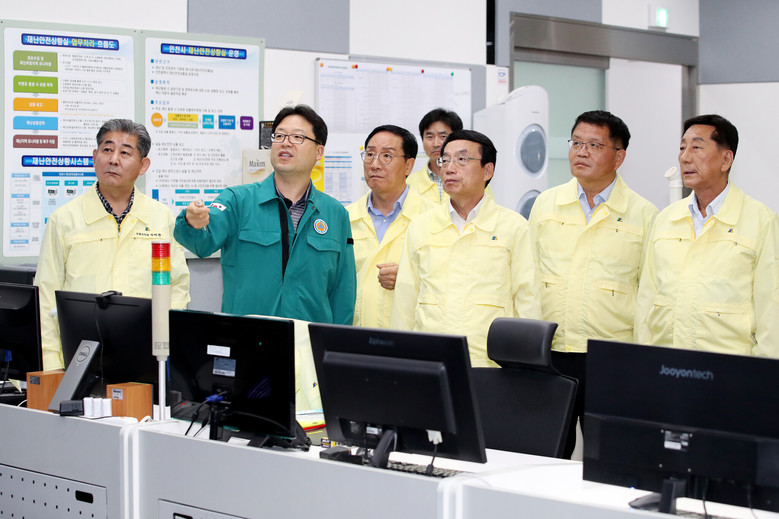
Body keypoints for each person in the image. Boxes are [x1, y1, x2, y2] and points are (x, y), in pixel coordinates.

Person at [528, 110, 658, 458]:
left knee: (609, 454)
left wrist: (644, 358)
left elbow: (650, 292)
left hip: (611, 355)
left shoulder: (644, 214)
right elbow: (528, 277)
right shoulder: (546, 204)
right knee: (546, 452)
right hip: (550, 350)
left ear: (619, 156)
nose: (581, 152)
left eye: (594, 145)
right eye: (576, 143)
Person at [175, 104, 356, 324]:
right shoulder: (237, 201)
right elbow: (201, 243)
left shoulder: (335, 213)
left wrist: (335, 342)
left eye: (297, 137)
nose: (285, 142)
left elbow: (343, 293)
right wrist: (192, 222)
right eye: (279, 135)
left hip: (307, 340)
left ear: (319, 151)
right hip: (248, 338)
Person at [35, 119, 191, 370]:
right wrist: (51, 364)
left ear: (143, 166)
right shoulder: (64, 220)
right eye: (107, 150)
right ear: (95, 156)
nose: (114, 159)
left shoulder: (161, 218)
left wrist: (164, 346)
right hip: (78, 356)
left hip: (145, 354)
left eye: (125, 153)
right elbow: (45, 294)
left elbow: (177, 286)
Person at [391, 130, 541, 367]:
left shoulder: (514, 227)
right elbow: (405, 300)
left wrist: (528, 367)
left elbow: (527, 300)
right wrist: (398, 361)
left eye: (462, 159)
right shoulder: (421, 226)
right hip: (430, 360)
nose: (449, 168)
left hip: (490, 363)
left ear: (487, 171)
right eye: (445, 160)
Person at [635, 114, 779, 357]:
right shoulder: (665, 219)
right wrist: (644, 360)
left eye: (696, 147)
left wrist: (763, 373)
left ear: (726, 159)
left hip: (730, 367)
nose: (685, 157)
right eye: (682, 148)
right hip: (667, 364)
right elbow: (646, 300)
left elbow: (771, 311)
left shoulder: (761, 221)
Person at [348, 125, 434, 328]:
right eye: (370, 154)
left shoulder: (433, 218)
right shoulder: (346, 217)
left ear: (408, 166)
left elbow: (448, 284)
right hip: (355, 336)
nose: (375, 164)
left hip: (411, 338)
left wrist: (407, 280)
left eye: (387, 156)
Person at [406, 108, 463, 205]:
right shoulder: (409, 184)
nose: (436, 144)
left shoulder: (472, 179)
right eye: (430, 137)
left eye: (443, 137)